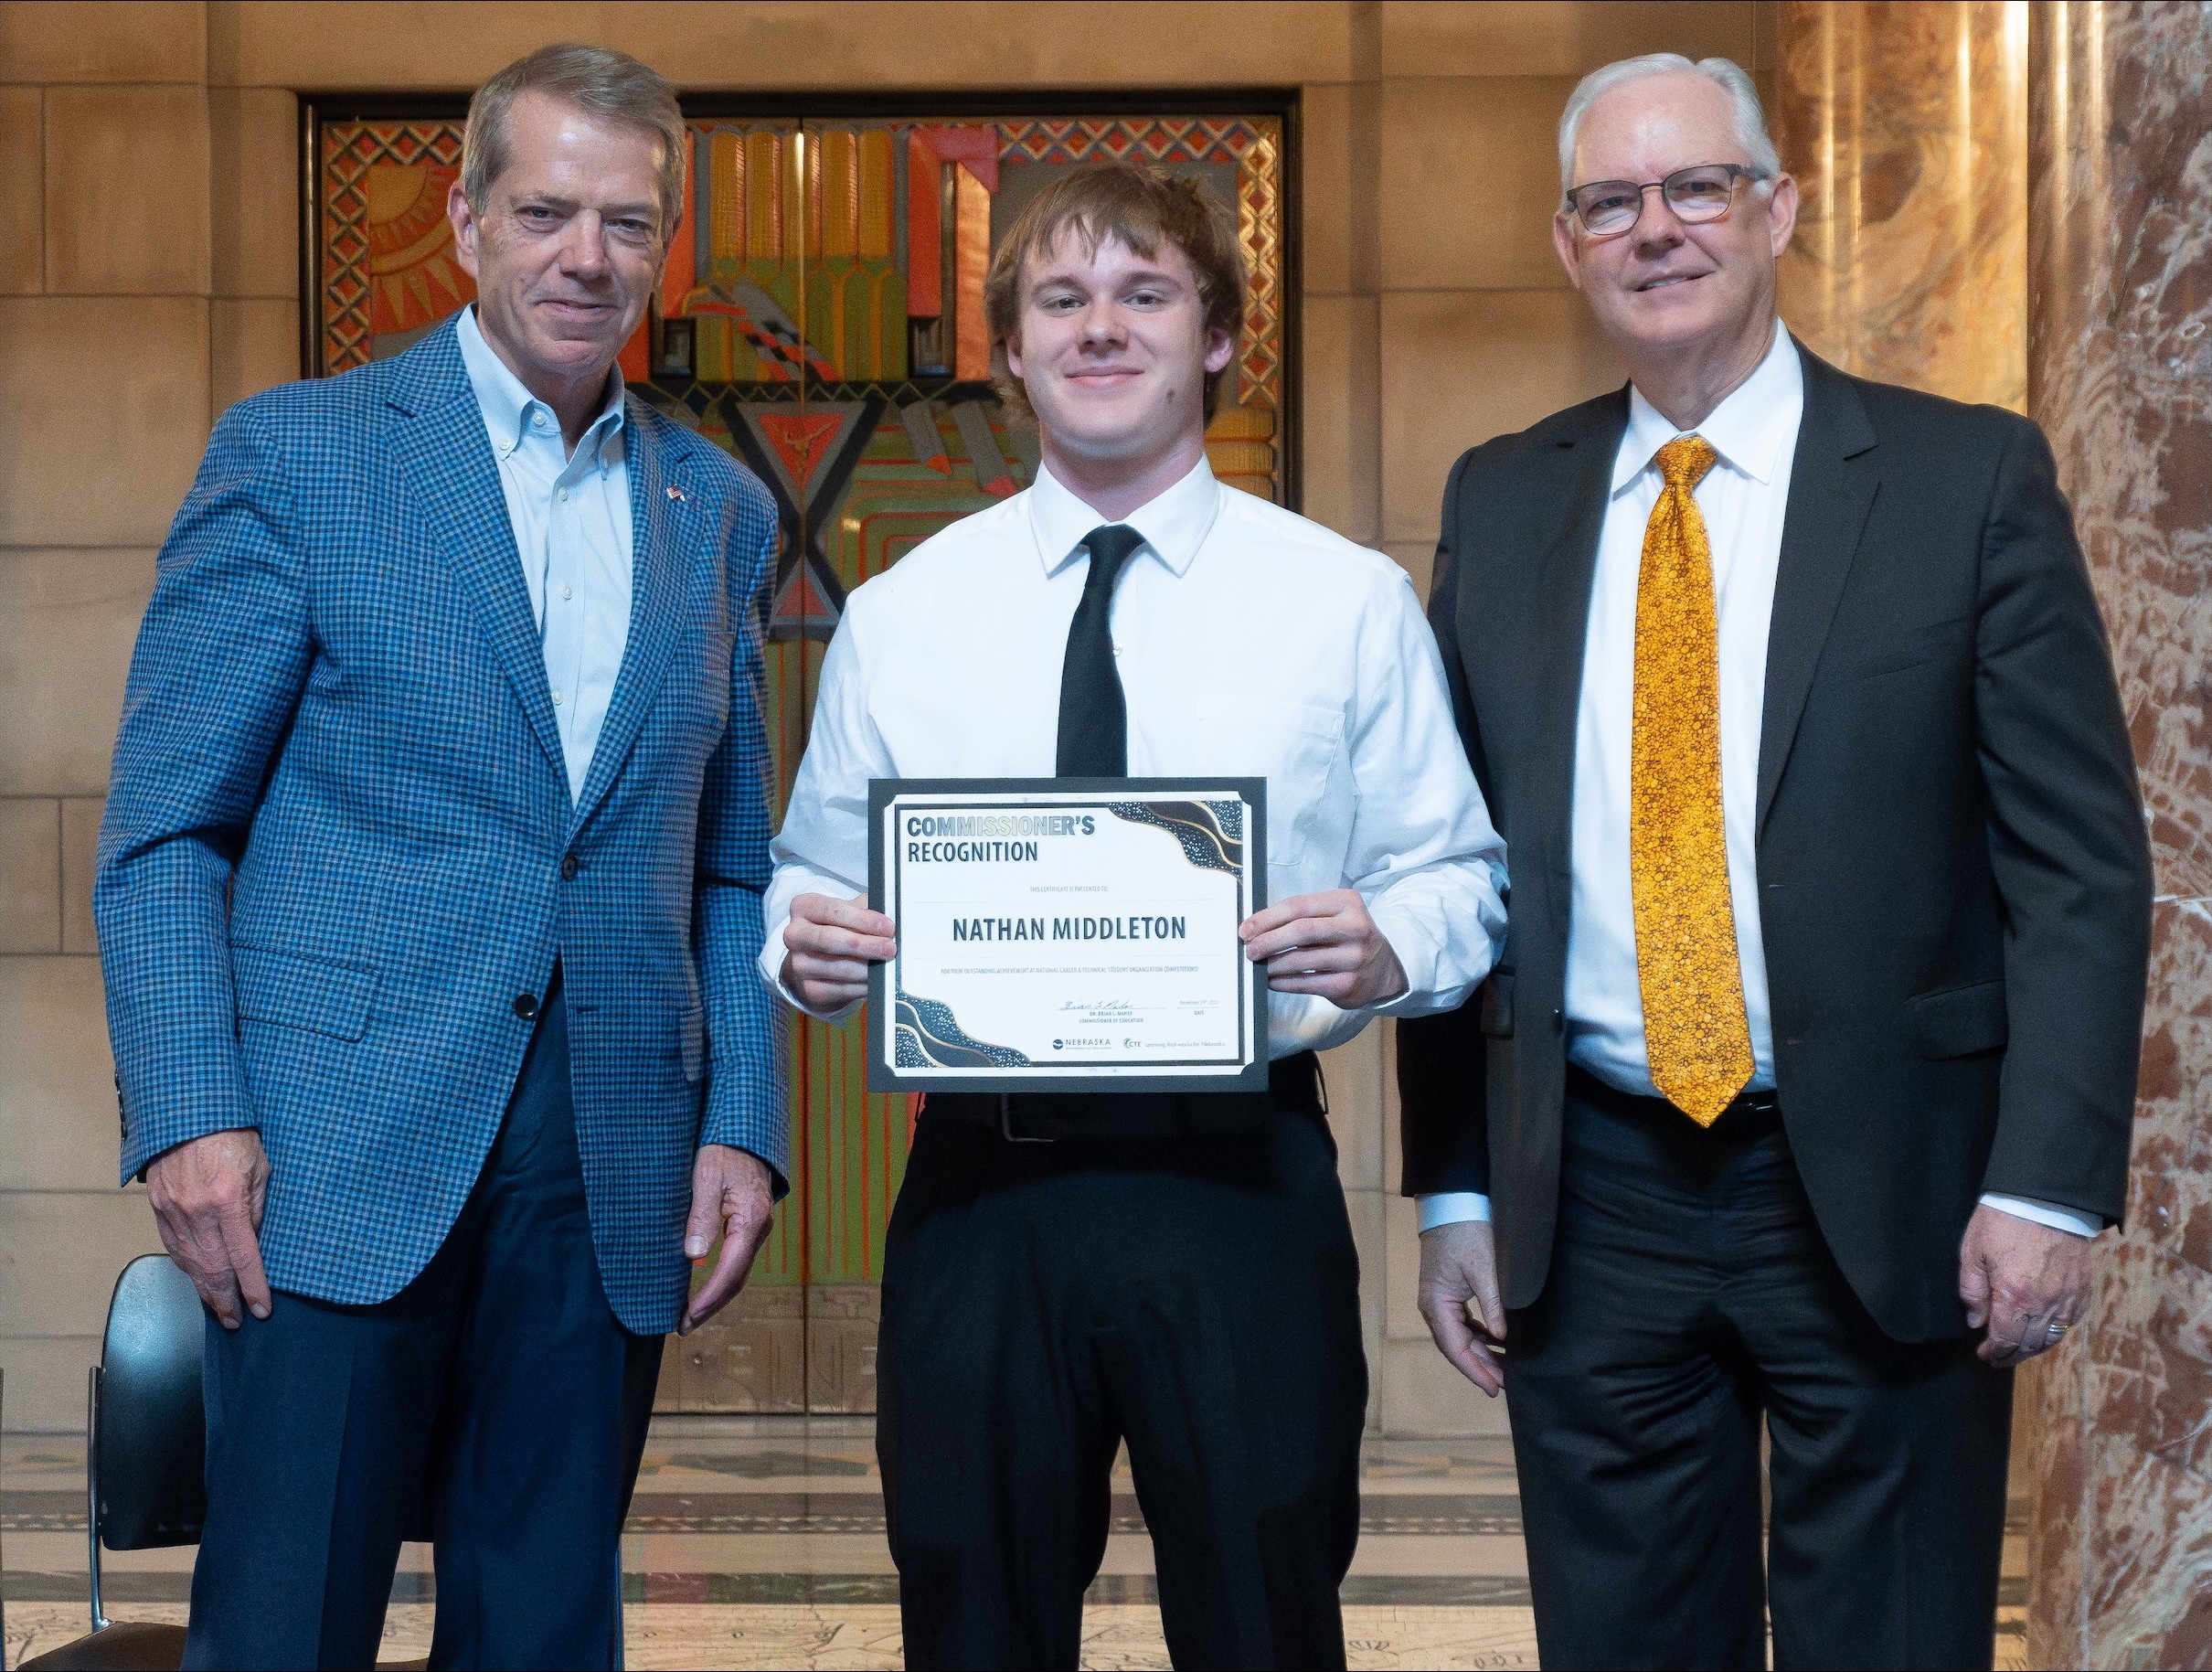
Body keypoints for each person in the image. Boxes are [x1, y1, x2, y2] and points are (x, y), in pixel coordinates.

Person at [1398, 51, 2153, 1672]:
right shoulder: (1505, 494)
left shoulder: (1966, 479)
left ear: (1779, 209)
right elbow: (1452, 863)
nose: (1655, 228)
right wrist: (1454, 1183)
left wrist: (2045, 1184)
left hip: (1891, 1181)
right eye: (1612, 199)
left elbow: (2078, 867)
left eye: (1697, 187)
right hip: (1589, 1189)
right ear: (1566, 239)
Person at [95, 44, 785, 1669]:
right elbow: (168, 826)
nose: (585, 256)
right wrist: (193, 1108)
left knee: (547, 1629)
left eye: (625, 221)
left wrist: (744, 1119)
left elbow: (733, 863)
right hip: (330, 1153)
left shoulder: (719, 507)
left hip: (612, 1154)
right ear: (467, 218)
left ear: (663, 243)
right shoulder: (300, 455)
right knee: (283, 1628)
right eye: (545, 210)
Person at [767, 161, 1506, 1670]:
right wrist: (810, 942)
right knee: (971, 1618)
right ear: (1014, 351)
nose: (1101, 326)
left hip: (1239, 1183)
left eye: (1144, 292)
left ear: (1221, 335)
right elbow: (806, 871)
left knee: (1261, 1613)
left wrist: (1388, 941)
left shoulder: (1343, 599)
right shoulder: (909, 609)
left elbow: (1459, 873)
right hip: (982, 1193)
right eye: (1062, 298)